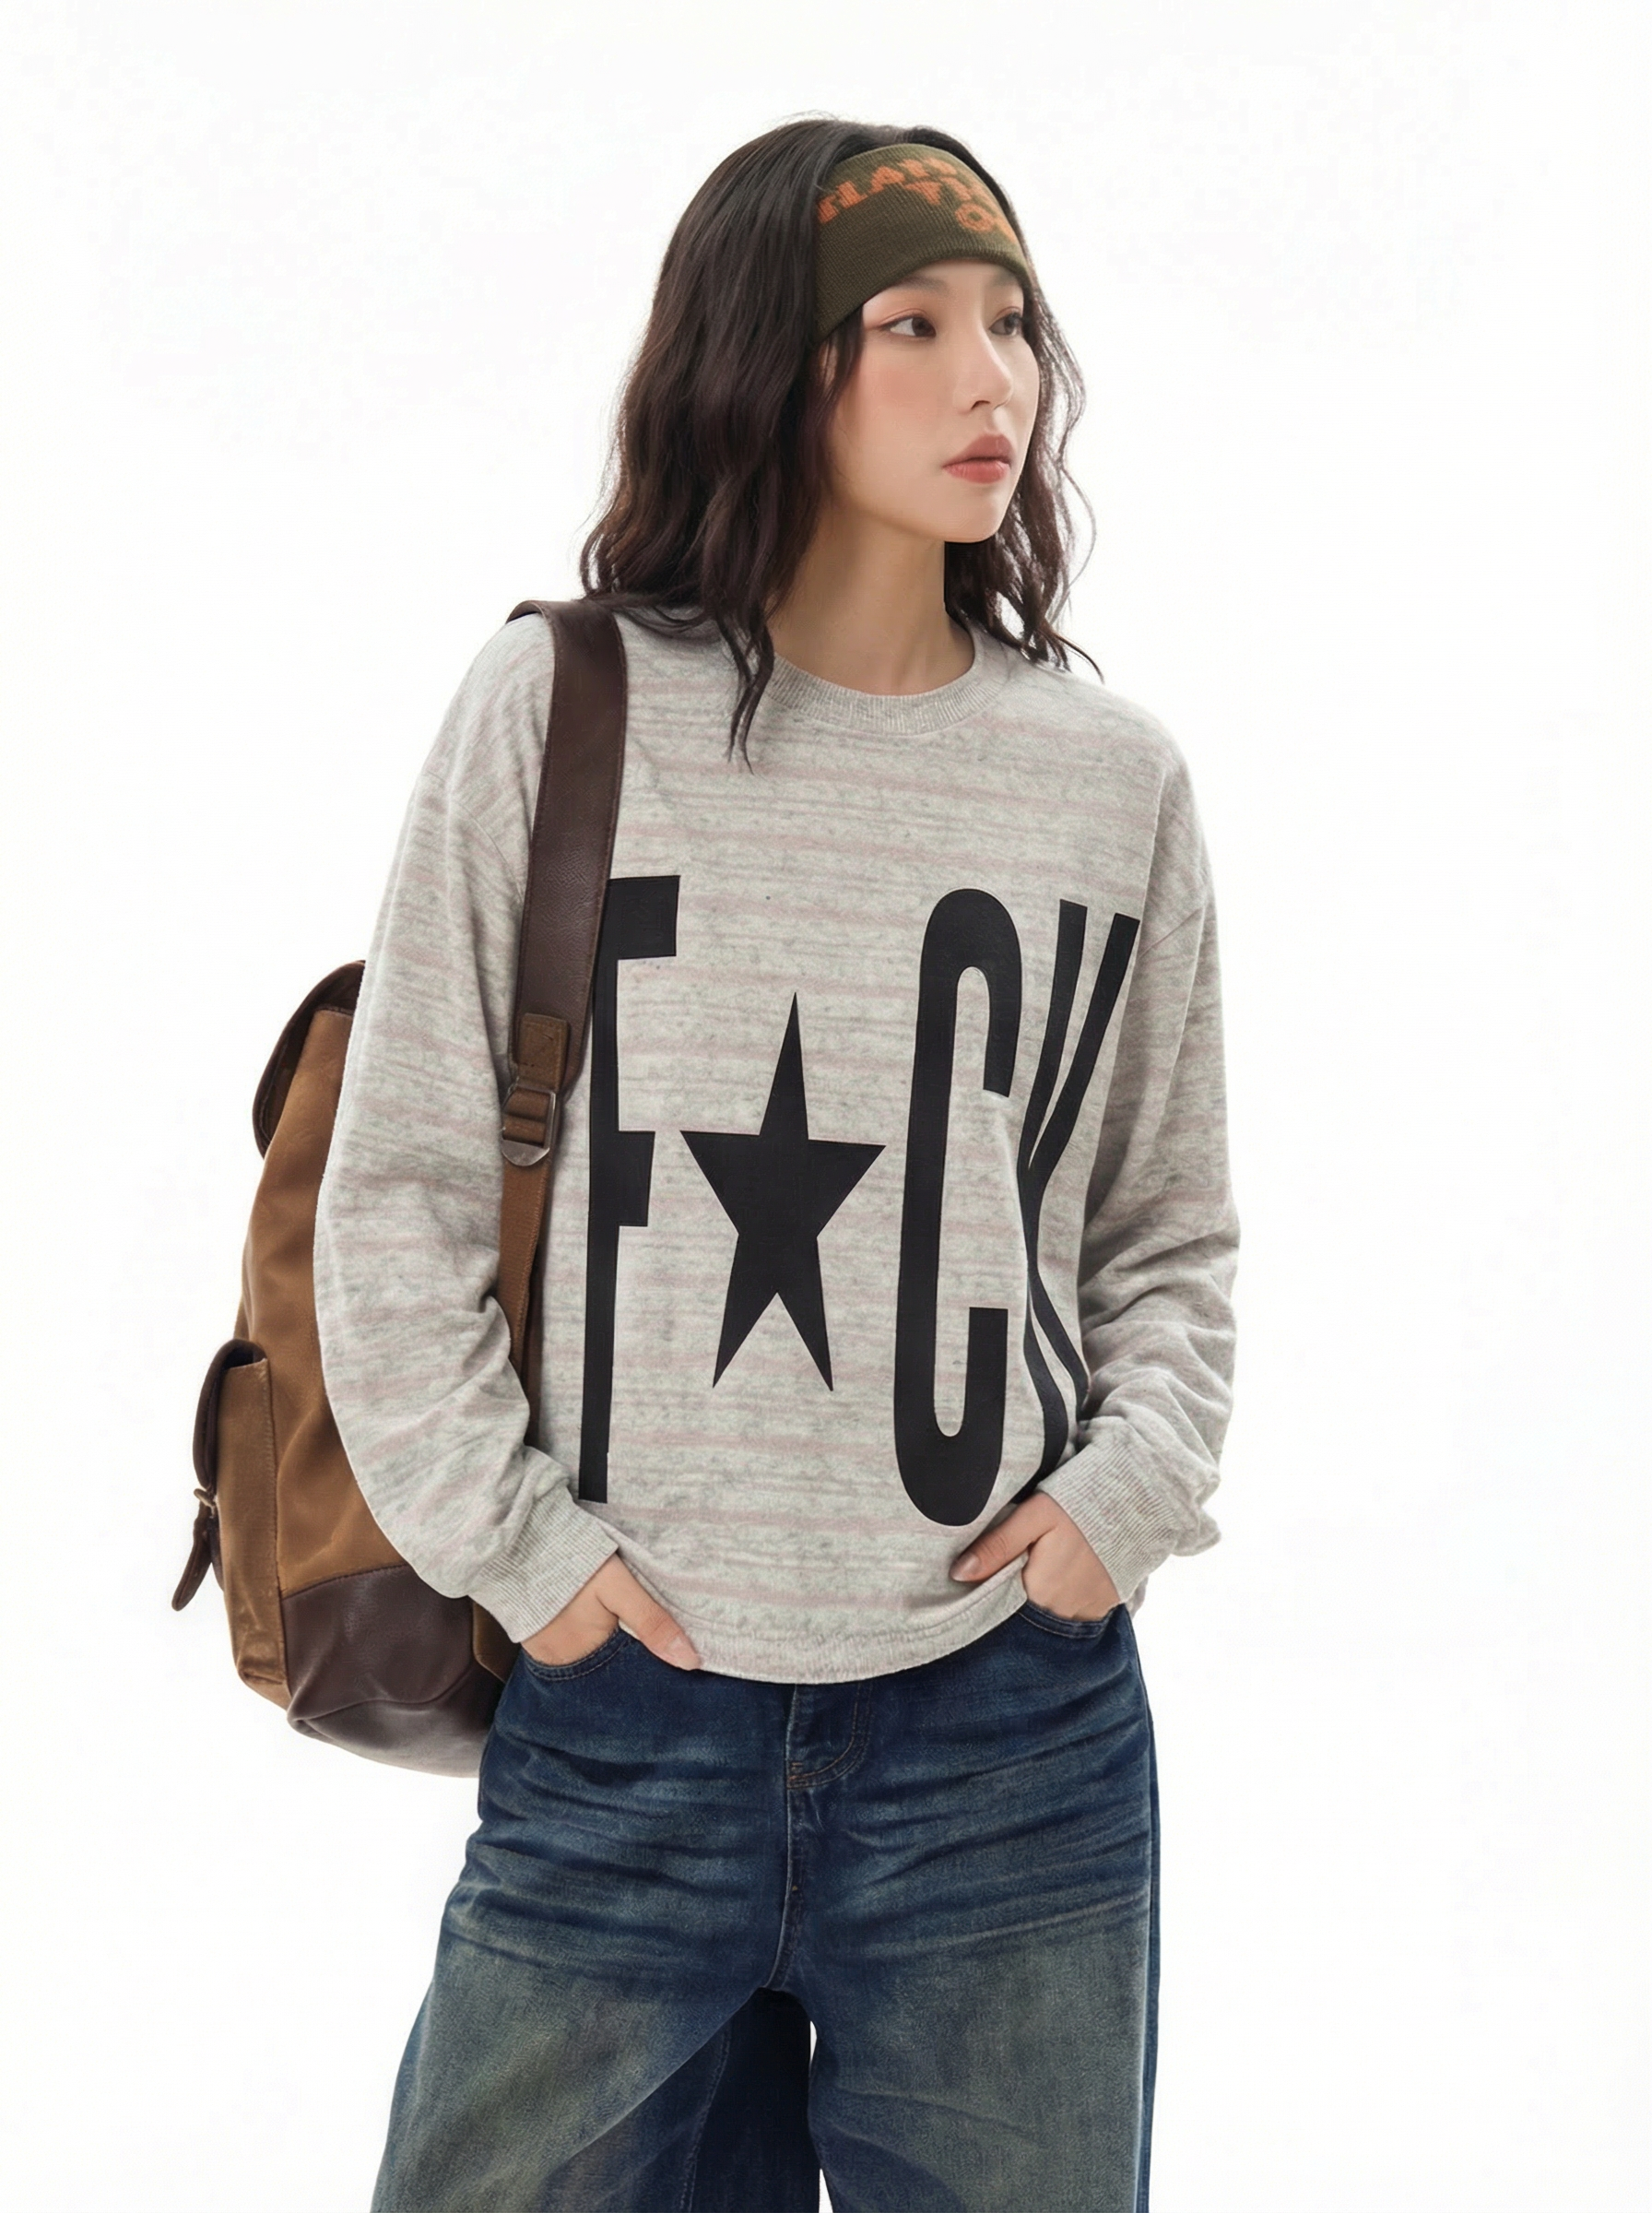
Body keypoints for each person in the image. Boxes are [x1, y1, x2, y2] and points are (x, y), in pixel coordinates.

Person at [313, 115, 1240, 2213]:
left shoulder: (1109, 783)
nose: (991, 380)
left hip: (1011, 1747)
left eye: (1011, 322)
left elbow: (1165, 1229)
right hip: (622, 1729)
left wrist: (1121, 1502)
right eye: (908, 325)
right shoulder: (557, 709)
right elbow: (401, 1191)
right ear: (762, 356)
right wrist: (524, 1559)